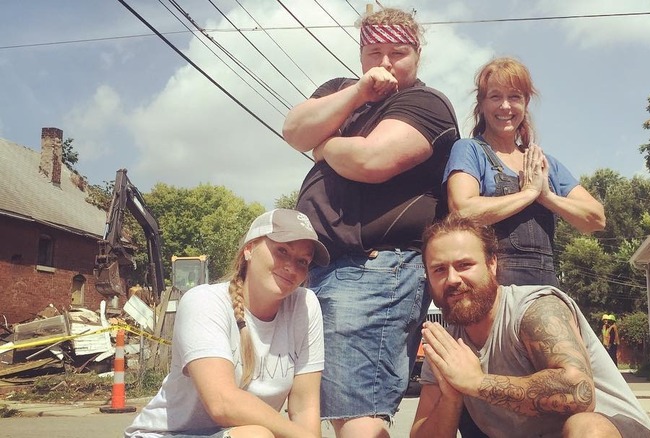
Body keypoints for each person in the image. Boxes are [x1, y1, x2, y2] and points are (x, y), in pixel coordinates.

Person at [282, 6, 459, 438]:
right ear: (360, 55)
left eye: (397, 52)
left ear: (417, 54)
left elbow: (371, 160)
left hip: (374, 267)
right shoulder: (342, 91)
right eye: (374, 51)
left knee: (357, 408)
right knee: (308, 403)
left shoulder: (425, 102)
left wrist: (324, 145)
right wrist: (356, 94)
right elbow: (293, 131)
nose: (384, 63)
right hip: (316, 266)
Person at [411, 215, 650, 438]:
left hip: (614, 431)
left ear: (492, 264)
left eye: (464, 265)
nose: (452, 279)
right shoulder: (446, 346)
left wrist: (476, 382)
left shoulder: (535, 307)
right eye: (439, 270)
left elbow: (579, 392)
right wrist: (452, 396)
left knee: (586, 427)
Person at [125, 209, 330, 438]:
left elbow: (305, 407)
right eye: (282, 251)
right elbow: (223, 403)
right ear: (249, 250)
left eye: (303, 261)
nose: (291, 267)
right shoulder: (204, 301)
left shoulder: (305, 306)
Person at [444, 57, 605, 288]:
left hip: (545, 288)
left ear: (526, 103)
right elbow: (463, 211)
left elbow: (596, 219)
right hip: (492, 290)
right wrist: (528, 193)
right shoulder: (469, 150)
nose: (505, 106)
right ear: (481, 104)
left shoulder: (544, 163)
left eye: (514, 97)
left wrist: (548, 197)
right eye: (495, 96)